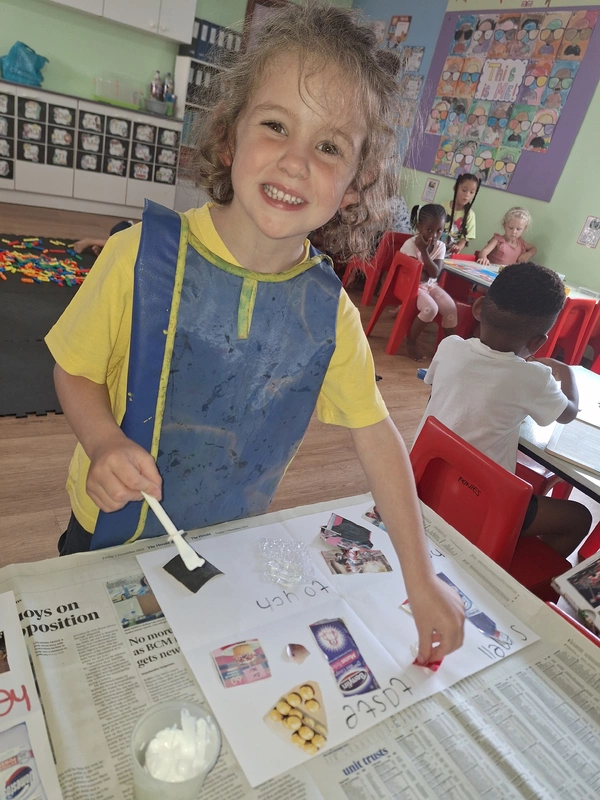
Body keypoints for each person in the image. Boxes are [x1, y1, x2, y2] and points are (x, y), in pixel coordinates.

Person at [45, 3, 464, 664]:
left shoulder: (332, 314)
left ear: (355, 185)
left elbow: (378, 437)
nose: (296, 162)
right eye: (276, 126)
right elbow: (74, 369)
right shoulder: (139, 257)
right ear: (230, 137)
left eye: (328, 146)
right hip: (107, 530)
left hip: (223, 546)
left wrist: (421, 574)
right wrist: (100, 442)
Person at [415, 262, 592, 558]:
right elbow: (568, 413)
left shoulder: (450, 346)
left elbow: (442, 396)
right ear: (538, 342)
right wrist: (567, 372)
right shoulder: (534, 377)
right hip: (482, 505)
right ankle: (503, 568)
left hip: (425, 483)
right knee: (580, 518)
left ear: (480, 307)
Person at [400, 204, 458, 362]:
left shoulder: (440, 246)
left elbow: (433, 274)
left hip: (430, 286)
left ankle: (450, 347)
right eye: (429, 229)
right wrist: (425, 255)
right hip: (410, 287)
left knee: (450, 307)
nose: (434, 235)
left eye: (439, 230)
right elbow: (417, 278)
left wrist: (425, 259)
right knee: (431, 309)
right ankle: (411, 341)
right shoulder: (410, 245)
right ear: (419, 227)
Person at [443, 173, 480, 255]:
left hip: (450, 255)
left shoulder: (470, 215)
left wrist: (458, 248)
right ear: (455, 188)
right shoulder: (443, 207)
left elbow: (465, 239)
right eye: (464, 190)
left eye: (471, 192)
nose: (467, 195)